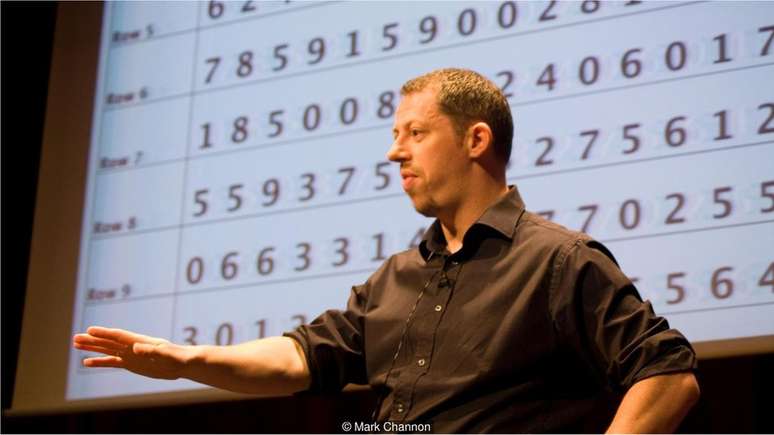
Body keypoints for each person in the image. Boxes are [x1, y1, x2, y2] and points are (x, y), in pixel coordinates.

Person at [73, 68, 700, 433]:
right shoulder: (399, 276)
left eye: (415, 134)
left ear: (476, 139)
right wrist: (189, 359)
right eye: (395, 136)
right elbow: (300, 358)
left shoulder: (559, 261)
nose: (394, 152)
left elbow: (669, 373)